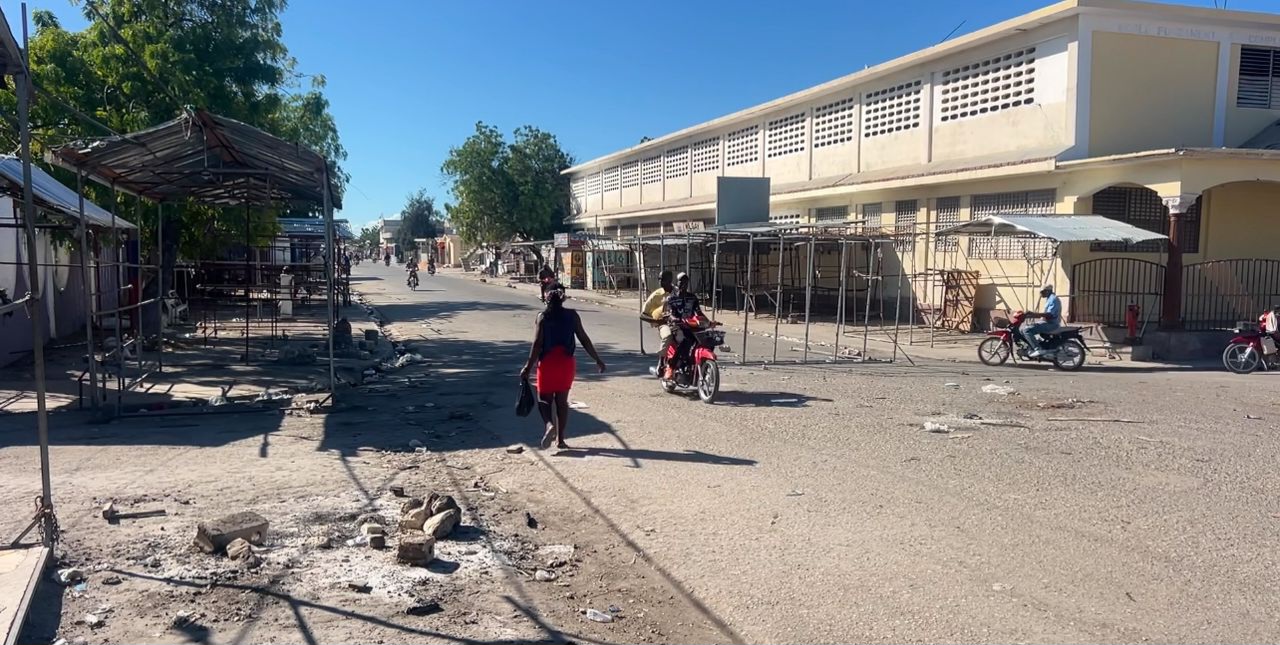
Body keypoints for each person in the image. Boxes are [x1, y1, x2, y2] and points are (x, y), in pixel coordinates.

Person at [519, 282, 606, 450]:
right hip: (566, 364)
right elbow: (584, 339)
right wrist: (597, 359)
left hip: (548, 364)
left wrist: (528, 367)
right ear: (563, 297)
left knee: (544, 399)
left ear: (546, 298)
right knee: (562, 401)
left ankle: (549, 425)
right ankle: (561, 440)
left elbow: (537, 344)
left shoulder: (542, 317)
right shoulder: (572, 316)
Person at [664, 272, 709, 378]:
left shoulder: (692, 298)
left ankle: (694, 363)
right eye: (681, 282)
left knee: (704, 339)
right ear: (677, 283)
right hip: (676, 326)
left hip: (691, 326)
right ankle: (671, 367)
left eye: (686, 282)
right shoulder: (671, 299)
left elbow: (698, 312)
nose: (683, 284)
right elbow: (670, 314)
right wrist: (676, 319)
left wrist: (708, 322)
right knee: (683, 340)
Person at [641, 270, 675, 372]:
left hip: (679, 322)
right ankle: (661, 362)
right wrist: (657, 321)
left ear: (670, 280)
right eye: (659, 279)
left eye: (663, 279)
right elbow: (642, 314)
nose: (660, 281)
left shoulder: (677, 292)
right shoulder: (656, 295)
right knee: (668, 336)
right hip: (664, 324)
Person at [1024, 284, 1063, 357]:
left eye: (1042, 292)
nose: (1041, 294)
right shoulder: (1049, 299)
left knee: (1027, 330)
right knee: (1026, 328)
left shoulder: (1053, 299)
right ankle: (1032, 346)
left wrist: (1034, 314)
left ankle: (1038, 349)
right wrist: (1029, 315)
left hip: (1051, 324)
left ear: (1048, 291)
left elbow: (1049, 314)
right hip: (1046, 322)